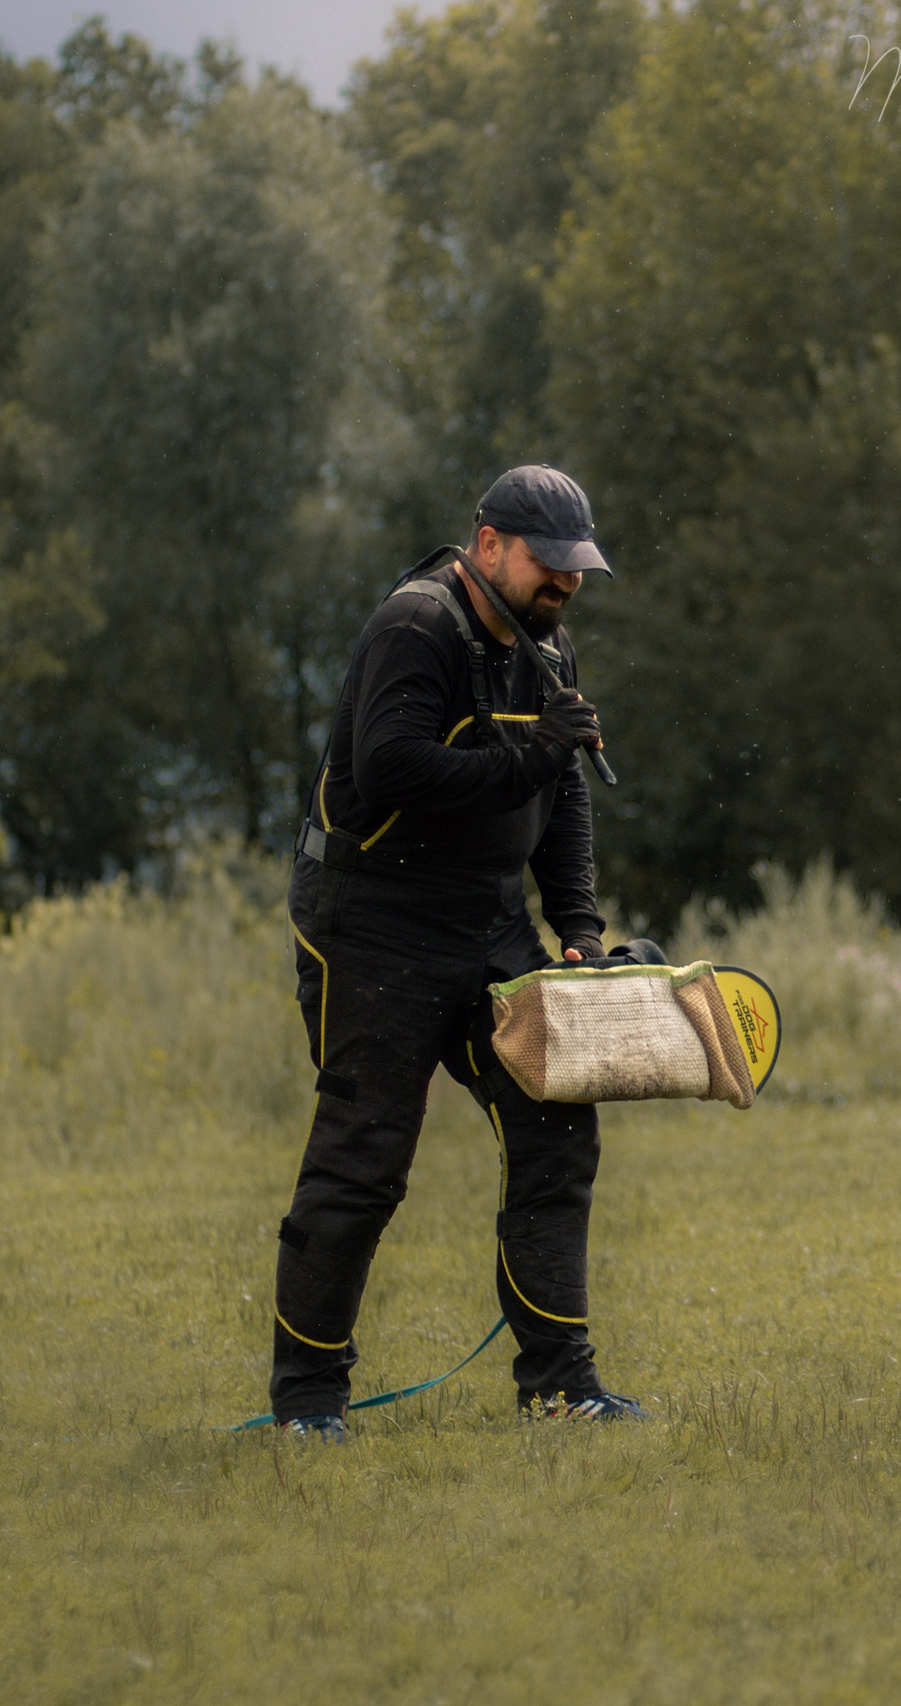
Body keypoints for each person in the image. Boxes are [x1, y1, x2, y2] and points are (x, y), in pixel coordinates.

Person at [271, 464, 644, 1440]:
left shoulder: (548, 646)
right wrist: (532, 753)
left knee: (557, 1128)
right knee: (366, 1157)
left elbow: (561, 805)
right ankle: (308, 1402)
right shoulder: (416, 625)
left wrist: (580, 929)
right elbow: (390, 763)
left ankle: (560, 1385)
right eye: (546, 562)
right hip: (372, 918)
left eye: (576, 567)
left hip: (487, 924)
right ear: (487, 545)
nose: (563, 582)